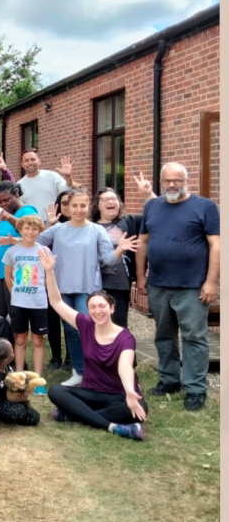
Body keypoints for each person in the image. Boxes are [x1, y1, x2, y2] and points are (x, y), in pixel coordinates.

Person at [136, 162, 220, 412]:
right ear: (161, 182)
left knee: (194, 337)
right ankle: (169, 379)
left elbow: (216, 245)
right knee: (163, 335)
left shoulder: (204, 206)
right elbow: (142, 242)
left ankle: (195, 388)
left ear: (186, 180)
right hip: (158, 284)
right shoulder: (152, 205)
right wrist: (140, 276)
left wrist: (211, 282)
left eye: (177, 180)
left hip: (193, 286)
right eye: (167, 181)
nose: (172, 185)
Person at [42, 248, 148, 441]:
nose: (97, 311)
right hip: (90, 393)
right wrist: (49, 271)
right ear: (88, 309)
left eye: (102, 306)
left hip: (118, 395)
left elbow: (125, 367)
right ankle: (114, 427)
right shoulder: (85, 324)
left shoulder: (125, 338)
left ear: (111, 308)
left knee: (138, 409)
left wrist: (131, 392)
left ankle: (73, 414)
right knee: (56, 391)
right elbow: (56, 302)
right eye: (93, 307)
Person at [36, 189, 135, 387]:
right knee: (71, 331)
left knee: (88, 329)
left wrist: (119, 250)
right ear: (68, 208)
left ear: (88, 206)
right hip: (62, 288)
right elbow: (36, 243)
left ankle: (97, 370)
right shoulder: (58, 230)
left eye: (83, 205)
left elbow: (107, 260)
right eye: (74, 206)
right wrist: (48, 228)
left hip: (87, 288)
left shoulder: (96, 230)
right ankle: (79, 372)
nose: (79, 210)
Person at [91, 182, 155, 327]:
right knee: (95, 325)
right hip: (93, 284)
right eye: (105, 199)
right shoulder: (89, 226)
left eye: (114, 199)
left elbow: (156, 213)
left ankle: (122, 350)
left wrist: (148, 194)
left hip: (119, 284)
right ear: (97, 205)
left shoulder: (130, 222)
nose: (110, 202)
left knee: (118, 326)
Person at [3, 214, 49, 387]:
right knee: (20, 339)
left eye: (34, 229)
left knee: (38, 340)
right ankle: (19, 375)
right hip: (19, 303)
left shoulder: (44, 251)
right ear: (20, 230)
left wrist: (42, 291)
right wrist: (15, 293)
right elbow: (8, 277)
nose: (30, 232)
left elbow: (47, 276)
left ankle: (37, 378)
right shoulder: (12, 251)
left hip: (38, 303)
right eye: (27, 228)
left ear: (39, 231)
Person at [0, 181, 38, 318]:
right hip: (1, 268)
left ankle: (16, 339)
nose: (3, 204)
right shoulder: (6, 214)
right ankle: (0, 339)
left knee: (15, 312)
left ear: (16, 196)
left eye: (6, 200)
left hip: (17, 268)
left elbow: (29, 231)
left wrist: (9, 217)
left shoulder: (28, 211)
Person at [0, 338, 40, 440]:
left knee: (35, 417)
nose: (14, 352)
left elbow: (17, 382)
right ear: (5, 360)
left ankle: (11, 414)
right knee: (19, 412)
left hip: (8, 400)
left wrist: (24, 392)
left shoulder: (8, 367)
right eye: (12, 351)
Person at [45, 189, 73, 371]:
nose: (69, 207)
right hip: (52, 280)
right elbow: (39, 244)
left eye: (72, 202)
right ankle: (56, 357)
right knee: (51, 321)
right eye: (64, 203)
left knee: (71, 322)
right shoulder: (52, 227)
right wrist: (49, 223)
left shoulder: (84, 226)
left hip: (73, 282)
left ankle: (71, 358)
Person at [18, 148, 75, 221]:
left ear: (39, 161)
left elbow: (67, 190)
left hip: (54, 222)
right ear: (22, 164)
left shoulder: (52, 176)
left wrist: (68, 177)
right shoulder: (19, 185)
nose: (30, 163)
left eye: (33, 159)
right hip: (33, 227)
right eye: (26, 160)